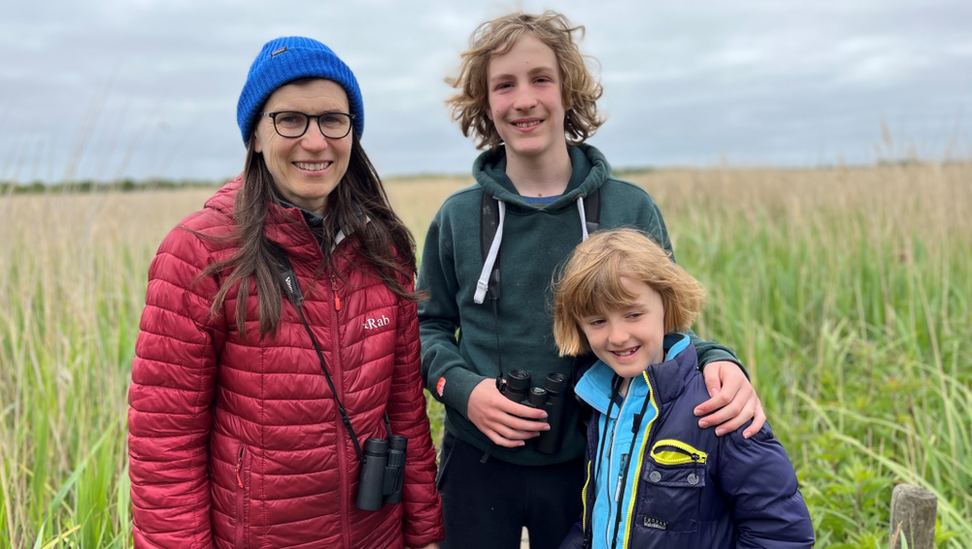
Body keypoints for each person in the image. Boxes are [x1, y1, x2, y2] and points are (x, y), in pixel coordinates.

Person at [417, 11, 766, 549]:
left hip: (596, 456)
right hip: (476, 459)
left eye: (541, 79)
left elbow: (665, 329)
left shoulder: (630, 207)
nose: (524, 100)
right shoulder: (458, 218)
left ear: (568, 91)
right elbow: (427, 330)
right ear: (486, 103)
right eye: (504, 85)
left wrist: (719, 359)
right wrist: (465, 392)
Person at [127, 36, 443, 549]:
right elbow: (165, 444)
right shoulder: (198, 253)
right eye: (290, 119)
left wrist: (426, 534)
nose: (315, 141)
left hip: (375, 534)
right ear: (254, 135)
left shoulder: (383, 248)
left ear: (352, 132)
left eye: (332, 120)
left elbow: (406, 411)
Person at [552, 229, 814, 549]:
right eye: (597, 322)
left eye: (633, 314)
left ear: (667, 303)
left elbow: (782, 532)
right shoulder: (598, 402)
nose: (617, 336)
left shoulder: (721, 404)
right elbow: (599, 513)